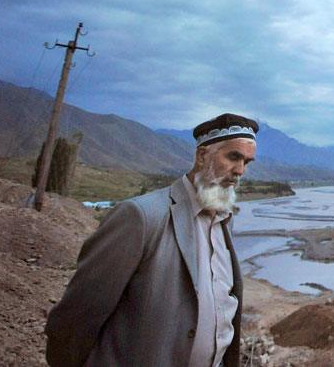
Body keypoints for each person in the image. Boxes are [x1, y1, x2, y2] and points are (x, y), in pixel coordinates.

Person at [45, 113, 258, 367]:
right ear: (202, 156)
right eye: (233, 157)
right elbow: (75, 319)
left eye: (247, 162)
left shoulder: (224, 221)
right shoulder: (141, 217)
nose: (240, 171)